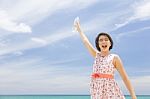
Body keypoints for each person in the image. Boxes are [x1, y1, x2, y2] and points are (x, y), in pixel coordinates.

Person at [74, 19, 137, 99]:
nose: (104, 41)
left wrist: (133, 95)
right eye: (101, 40)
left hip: (111, 91)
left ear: (110, 43)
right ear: (98, 44)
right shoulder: (96, 56)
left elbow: (125, 77)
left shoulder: (114, 58)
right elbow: (85, 41)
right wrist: (79, 29)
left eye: (106, 40)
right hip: (97, 91)